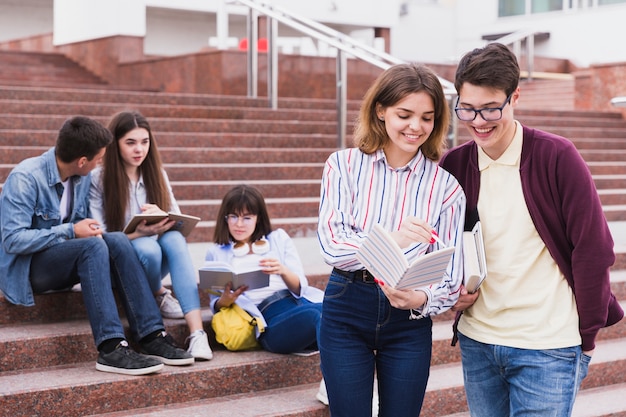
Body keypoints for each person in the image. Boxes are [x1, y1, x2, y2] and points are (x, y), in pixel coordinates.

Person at [439, 42, 624, 416]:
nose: (478, 121)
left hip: (548, 345)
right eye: (467, 108)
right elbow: (442, 245)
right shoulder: (455, 165)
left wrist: (587, 335)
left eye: (491, 108)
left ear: (515, 97)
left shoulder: (556, 157)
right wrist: (449, 289)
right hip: (479, 341)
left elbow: (593, 248)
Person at [317, 63, 466, 417]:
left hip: (409, 320)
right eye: (405, 114)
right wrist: (393, 241)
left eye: (427, 118)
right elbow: (331, 243)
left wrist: (420, 298)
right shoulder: (343, 166)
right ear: (381, 111)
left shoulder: (446, 188)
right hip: (347, 304)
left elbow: (451, 273)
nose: (416, 127)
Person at [0, 116, 194, 376]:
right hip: (27, 270)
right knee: (92, 247)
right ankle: (111, 347)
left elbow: (82, 227)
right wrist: (70, 230)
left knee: (115, 239)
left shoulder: (79, 178)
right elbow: (12, 240)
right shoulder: (26, 177)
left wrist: (89, 231)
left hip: (62, 259)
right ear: (83, 161)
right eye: (99, 158)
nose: (101, 162)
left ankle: (152, 335)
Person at [89, 110, 213, 361]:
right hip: (122, 268)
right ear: (116, 144)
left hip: (156, 258)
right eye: (131, 142)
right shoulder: (98, 178)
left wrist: (163, 213)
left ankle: (198, 334)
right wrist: (136, 233)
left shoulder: (157, 174)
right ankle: (158, 293)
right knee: (148, 247)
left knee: (175, 239)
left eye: (144, 142)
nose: (139, 150)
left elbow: (178, 220)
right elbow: (98, 235)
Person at [204, 184, 323, 355]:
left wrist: (282, 270)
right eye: (233, 217)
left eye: (246, 218)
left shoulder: (278, 239)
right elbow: (214, 304)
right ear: (225, 218)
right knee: (317, 314)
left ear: (258, 218)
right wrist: (227, 299)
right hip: (266, 320)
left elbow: (300, 287)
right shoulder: (216, 252)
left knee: (332, 311)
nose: (239, 224)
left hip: (296, 303)